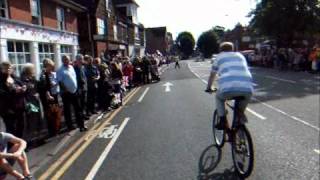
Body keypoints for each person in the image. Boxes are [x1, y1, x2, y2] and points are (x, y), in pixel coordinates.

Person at [206, 42, 253, 130]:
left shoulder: (219, 57)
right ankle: (240, 124)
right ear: (232, 49)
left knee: (219, 98)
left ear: (220, 50)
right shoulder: (240, 56)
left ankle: (223, 121)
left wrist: (209, 87)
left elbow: (212, 75)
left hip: (228, 88)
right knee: (239, 111)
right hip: (248, 88)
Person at [57, 55, 87, 132]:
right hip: (66, 93)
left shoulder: (71, 67)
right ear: (62, 61)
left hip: (75, 91)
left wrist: (76, 88)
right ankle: (70, 126)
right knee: (68, 111)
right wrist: (66, 90)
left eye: (68, 59)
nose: (67, 61)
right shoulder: (60, 70)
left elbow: (74, 78)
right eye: (65, 60)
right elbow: (60, 82)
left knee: (78, 109)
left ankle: (81, 125)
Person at [0, 62, 26, 138]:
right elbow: (2, 94)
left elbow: (23, 85)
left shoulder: (15, 77)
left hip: (19, 107)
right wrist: (14, 91)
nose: (8, 70)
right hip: (8, 110)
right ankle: (13, 147)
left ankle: (21, 146)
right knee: (11, 129)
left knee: (20, 127)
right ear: (1, 69)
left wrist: (24, 88)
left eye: (10, 68)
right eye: (6, 68)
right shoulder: (1, 81)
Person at [20, 64, 44, 142]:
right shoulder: (22, 80)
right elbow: (23, 92)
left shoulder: (33, 79)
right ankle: (30, 140)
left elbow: (39, 87)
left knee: (38, 119)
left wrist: (38, 93)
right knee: (31, 121)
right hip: (29, 103)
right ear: (28, 70)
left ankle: (38, 138)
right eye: (32, 69)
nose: (34, 71)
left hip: (35, 101)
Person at [38, 59, 61, 137]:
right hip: (48, 98)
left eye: (52, 66)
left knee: (56, 113)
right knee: (50, 115)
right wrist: (48, 94)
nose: (52, 67)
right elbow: (43, 87)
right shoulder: (43, 75)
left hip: (54, 95)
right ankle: (52, 131)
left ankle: (57, 130)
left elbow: (58, 82)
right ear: (46, 66)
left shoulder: (53, 74)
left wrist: (55, 83)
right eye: (50, 66)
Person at [74, 55, 89, 120]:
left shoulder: (83, 67)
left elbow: (85, 77)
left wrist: (86, 85)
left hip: (84, 88)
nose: (81, 60)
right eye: (79, 59)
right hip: (78, 88)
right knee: (79, 105)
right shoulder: (74, 68)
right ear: (76, 60)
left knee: (84, 103)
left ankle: (84, 115)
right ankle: (79, 118)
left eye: (81, 59)